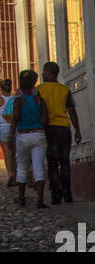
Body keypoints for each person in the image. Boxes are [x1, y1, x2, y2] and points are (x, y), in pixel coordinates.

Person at [37, 61, 82, 205]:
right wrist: (77, 130)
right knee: (65, 162)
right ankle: (67, 194)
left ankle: (56, 195)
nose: (42, 74)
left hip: (50, 129)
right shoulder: (64, 90)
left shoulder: (40, 89)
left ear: (50, 73)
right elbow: (72, 111)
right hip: (64, 128)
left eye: (44, 72)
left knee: (52, 163)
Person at [9, 69, 49, 208]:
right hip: (39, 135)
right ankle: (40, 199)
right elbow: (44, 120)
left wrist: (10, 136)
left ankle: (21, 198)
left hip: (23, 136)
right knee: (39, 168)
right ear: (33, 84)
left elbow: (15, 118)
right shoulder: (39, 100)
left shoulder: (18, 100)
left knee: (22, 168)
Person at [0, 77, 16, 188]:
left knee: (7, 154)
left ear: (1, 88)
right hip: (14, 128)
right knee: (14, 153)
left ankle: (10, 173)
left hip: (3, 128)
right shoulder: (15, 99)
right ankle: (15, 175)